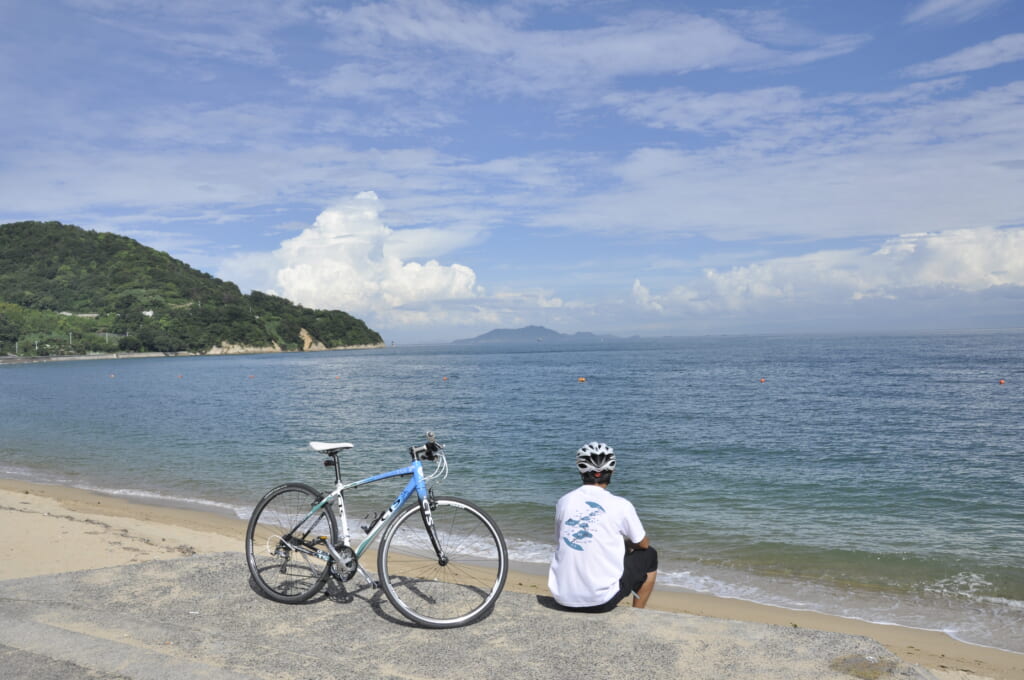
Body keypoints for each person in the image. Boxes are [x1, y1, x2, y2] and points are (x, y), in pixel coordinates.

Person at [548, 442, 657, 611]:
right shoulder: (621, 505)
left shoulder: (564, 501)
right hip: (600, 602)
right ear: (612, 470)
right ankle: (638, 612)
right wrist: (626, 544)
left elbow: (559, 539)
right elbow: (643, 543)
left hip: (561, 597)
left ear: (580, 469)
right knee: (650, 555)